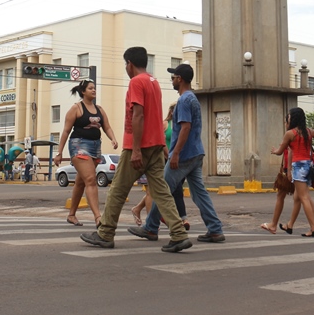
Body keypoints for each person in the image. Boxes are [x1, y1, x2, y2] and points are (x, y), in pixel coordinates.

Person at [80, 47, 191, 252]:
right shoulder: (154, 82)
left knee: (118, 190)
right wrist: (162, 147)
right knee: (162, 192)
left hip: (138, 146)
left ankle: (105, 233)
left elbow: (138, 115)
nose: (126, 68)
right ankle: (178, 234)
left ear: (129, 64)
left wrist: (137, 149)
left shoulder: (136, 82)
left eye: (125, 64)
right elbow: (155, 115)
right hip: (155, 145)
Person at [129, 64, 224, 243]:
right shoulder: (192, 98)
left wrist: (176, 153)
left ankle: (150, 228)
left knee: (161, 190)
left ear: (180, 79)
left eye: (173, 77)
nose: (172, 80)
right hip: (196, 153)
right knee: (199, 193)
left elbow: (185, 128)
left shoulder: (184, 101)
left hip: (185, 156)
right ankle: (215, 229)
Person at [53, 79, 119, 227]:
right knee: (90, 179)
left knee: (80, 182)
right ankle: (98, 217)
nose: (94, 90)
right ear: (83, 92)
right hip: (79, 145)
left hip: (96, 147)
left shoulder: (100, 109)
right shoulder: (76, 108)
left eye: (94, 88)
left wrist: (113, 139)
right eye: (90, 88)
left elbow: (106, 127)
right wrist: (59, 153)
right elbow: (65, 131)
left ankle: (71, 215)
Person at [261, 107, 314, 237]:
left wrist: (275, 151)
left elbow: (281, 151)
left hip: (298, 166)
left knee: (303, 198)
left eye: (289, 116)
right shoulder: (309, 132)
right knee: (301, 196)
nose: (288, 118)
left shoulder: (290, 133)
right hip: (308, 165)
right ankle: (293, 225)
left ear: (293, 118)